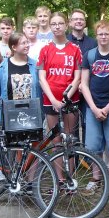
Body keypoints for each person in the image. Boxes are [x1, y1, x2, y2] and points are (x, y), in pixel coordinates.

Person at [78, 20, 109, 198]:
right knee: (93, 146)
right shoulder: (89, 55)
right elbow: (84, 84)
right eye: (101, 34)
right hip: (93, 108)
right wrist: (93, 108)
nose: (104, 37)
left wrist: (107, 108)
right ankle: (96, 178)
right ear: (96, 35)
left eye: (107, 33)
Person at [38, 12, 82, 159]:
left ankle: (71, 178)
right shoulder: (45, 50)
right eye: (54, 24)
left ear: (66, 25)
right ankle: (60, 180)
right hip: (50, 100)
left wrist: (65, 98)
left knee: (68, 138)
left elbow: (77, 77)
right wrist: (54, 101)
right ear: (50, 26)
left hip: (70, 99)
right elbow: (42, 78)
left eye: (60, 23)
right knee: (56, 140)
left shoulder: (75, 49)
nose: (57, 27)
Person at [0, 33, 41, 116]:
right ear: (14, 47)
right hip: (10, 114)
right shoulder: (3, 67)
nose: (27, 45)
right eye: (23, 43)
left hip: (32, 113)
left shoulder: (35, 65)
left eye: (27, 42)